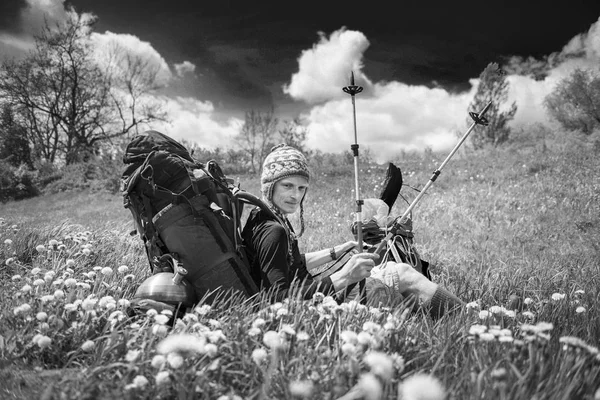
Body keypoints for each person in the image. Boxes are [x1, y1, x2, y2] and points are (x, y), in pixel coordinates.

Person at [241, 144, 463, 318]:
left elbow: (286, 261)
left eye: (301, 188)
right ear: (270, 186)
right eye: (287, 186)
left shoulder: (262, 216)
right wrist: (344, 276)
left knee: (394, 268)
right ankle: (468, 318)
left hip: (315, 295)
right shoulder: (273, 231)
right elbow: (277, 298)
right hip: (318, 306)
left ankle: (452, 316)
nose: (295, 195)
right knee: (402, 276)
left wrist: (336, 252)